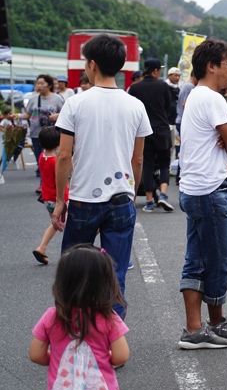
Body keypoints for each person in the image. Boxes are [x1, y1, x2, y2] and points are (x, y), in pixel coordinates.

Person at [52, 33, 152, 320]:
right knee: (115, 273)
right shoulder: (135, 105)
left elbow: (63, 156)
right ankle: (112, 343)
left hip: (84, 198)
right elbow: (138, 158)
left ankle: (75, 336)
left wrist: (60, 200)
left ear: (92, 64)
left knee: (74, 272)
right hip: (121, 197)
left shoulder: (76, 103)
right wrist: (131, 194)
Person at [177, 38, 227, 349]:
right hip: (210, 188)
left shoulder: (195, 95)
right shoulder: (214, 99)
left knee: (196, 257)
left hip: (193, 186)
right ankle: (216, 323)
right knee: (219, 258)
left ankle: (195, 329)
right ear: (211, 66)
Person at [30, 244, 129, 390]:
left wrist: (56, 359)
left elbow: (36, 355)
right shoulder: (108, 318)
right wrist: (105, 359)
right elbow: (121, 356)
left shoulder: (52, 316)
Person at [128, 58, 176, 213]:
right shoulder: (163, 86)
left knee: (147, 165)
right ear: (155, 71)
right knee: (164, 164)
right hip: (161, 130)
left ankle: (149, 201)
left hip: (143, 132)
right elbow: (168, 108)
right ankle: (163, 194)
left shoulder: (135, 88)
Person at [32, 127, 66, 266]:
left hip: (47, 198)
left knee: (55, 224)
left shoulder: (42, 157)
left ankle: (42, 247)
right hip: (60, 199)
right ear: (59, 143)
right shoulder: (55, 161)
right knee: (74, 224)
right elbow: (61, 180)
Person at [23, 74, 65, 182]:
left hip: (52, 134)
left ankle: (44, 185)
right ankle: (46, 183)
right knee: (40, 159)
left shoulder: (57, 98)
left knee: (49, 159)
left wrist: (57, 116)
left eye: (42, 83)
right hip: (36, 133)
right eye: (38, 83)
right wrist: (16, 116)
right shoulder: (33, 99)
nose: (39, 85)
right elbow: (27, 114)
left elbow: (66, 114)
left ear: (49, 85)